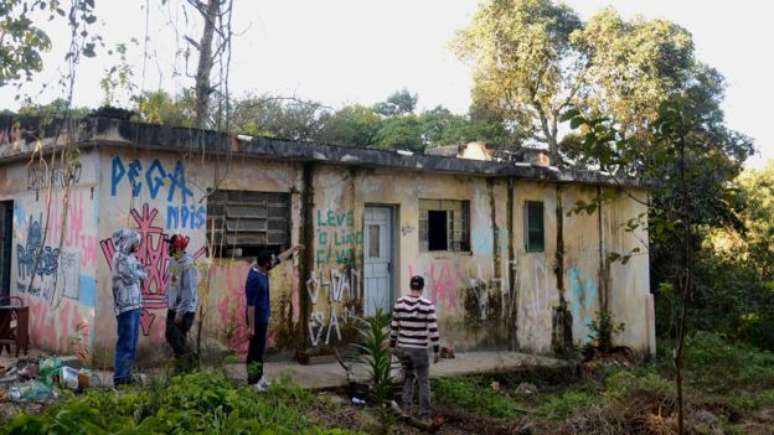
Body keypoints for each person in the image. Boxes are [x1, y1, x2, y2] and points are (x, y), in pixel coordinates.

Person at [245, 244, 304, 391]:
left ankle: (259, 376)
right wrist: (251, 327)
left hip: (263, 318)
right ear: (266, 264)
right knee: (255, 351)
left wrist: (293, 249)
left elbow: (279, 258)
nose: (274, 262)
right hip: (256, 320)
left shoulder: (262, 269)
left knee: (259, 350)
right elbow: (250, 306)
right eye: (271, 261)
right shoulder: (254, 279)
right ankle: (253, 381)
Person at [390, 275, 440, 421]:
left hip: (403, 348)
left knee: (407, 378)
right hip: (420, 350)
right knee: (423, 381)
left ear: (411, 286)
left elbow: (394, 327)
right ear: (422, 287)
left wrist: (392, 346)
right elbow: (433, 330)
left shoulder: (399, 303)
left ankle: (407, 410)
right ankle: (425, 414)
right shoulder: (427, 305)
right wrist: (436, 350)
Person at [111, 228, 146, 387]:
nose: (137, 244)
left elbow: (143, 272)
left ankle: (127, 375)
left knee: (131, 343)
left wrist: (139, 272)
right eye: (135, 241)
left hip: (135, 305)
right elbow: (130, 277)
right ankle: (120, 378)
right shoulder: (119, 258)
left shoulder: (130, 258)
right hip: (125, 307)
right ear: (127, 242)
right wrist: (138, 272)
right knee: (125, 342)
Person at [165, 234, 198, 369]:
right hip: (174, 307)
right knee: (171, 336)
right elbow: (173, 283)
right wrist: (168, 299)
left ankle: (189, 362)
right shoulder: (175, 261)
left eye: (172, 245)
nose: (169, 247)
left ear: (178, 247)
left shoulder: (188, 265)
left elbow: (188, 291)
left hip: (184, 310)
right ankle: (182, 368)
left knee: (178, 338)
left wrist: (180, 312)